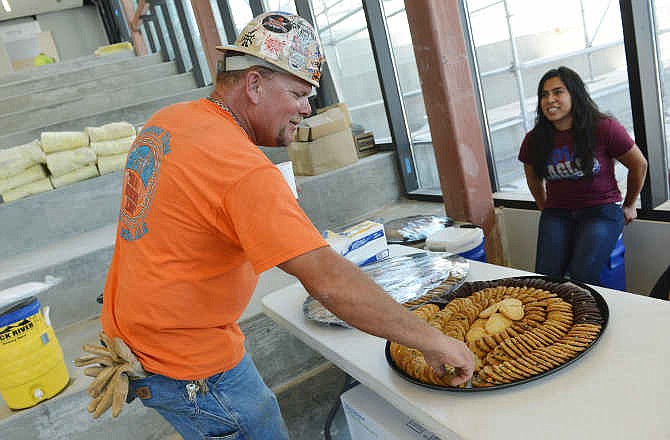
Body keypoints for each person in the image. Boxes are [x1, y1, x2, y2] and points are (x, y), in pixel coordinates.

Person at [99, 11, 473, 440]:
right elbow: (329, 283)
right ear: (255, 84)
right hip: (187, 363)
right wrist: (431, 340)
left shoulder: (168, 120)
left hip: (140, 337)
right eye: (297, 93)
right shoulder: (242, 169)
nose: (306, 108)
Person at [518, 66, 647, 286]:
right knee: (545, 277)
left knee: (581, 276)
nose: (550, 99)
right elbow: (532, 178)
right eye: (544, 95)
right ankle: (555, 319)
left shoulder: (604, 127)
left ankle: (585, 317)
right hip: (558, 213)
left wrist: (629, 204)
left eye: (558, 92)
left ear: (574, 94)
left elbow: (639, 164)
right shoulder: (534, 139)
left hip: (601, 210)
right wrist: (544, 207)